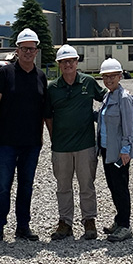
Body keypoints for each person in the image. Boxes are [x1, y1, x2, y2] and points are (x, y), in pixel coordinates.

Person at [0, 27, 49, 245]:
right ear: (17, 50)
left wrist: (43, 136)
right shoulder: (6, 73)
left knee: (26, 185)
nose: (28, 52)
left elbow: (43, 110)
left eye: (32, 49)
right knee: (4, 185)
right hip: (6, 142)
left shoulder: (41, 76)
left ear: (37, 51)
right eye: (24, 49)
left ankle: (23, 226)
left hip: (31, 143)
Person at [45, 44, 107, 240]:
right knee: (63, 186)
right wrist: (54, 136)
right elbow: (48, 116)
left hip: (85, 145)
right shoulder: (52, 88)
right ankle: (65, 222)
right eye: (63, 62)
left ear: (77, 62)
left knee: (86, 185)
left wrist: (124, 96)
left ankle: (89, 220)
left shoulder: (88, 83)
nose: (68, 65)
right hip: (61, 147)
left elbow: (106, 98)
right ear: (59, 65)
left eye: (71, 61)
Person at [97, 58, 133, 242]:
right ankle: (119, 220)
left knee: (121, 187)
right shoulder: (108, 96)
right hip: (107, 149)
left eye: (112, 76)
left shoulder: (124, 98)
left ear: (120, 76)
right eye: (105, 77)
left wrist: (126, 150)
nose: (109, 80)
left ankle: (125, 225)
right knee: (113, 186)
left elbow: (128, 127)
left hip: (119, 152)